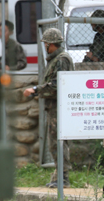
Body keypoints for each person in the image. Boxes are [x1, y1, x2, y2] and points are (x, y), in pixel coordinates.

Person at [23, 28, 73, 188]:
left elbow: (57, 84)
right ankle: (59, 176)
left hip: (59, 107)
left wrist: (36, 89)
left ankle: (63, 178)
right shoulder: (56, 59)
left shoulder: (61, 59)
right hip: (54, 106)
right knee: (55, 142)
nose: (44, 46)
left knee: (59, 142)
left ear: (51, 44)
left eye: (45, 43)